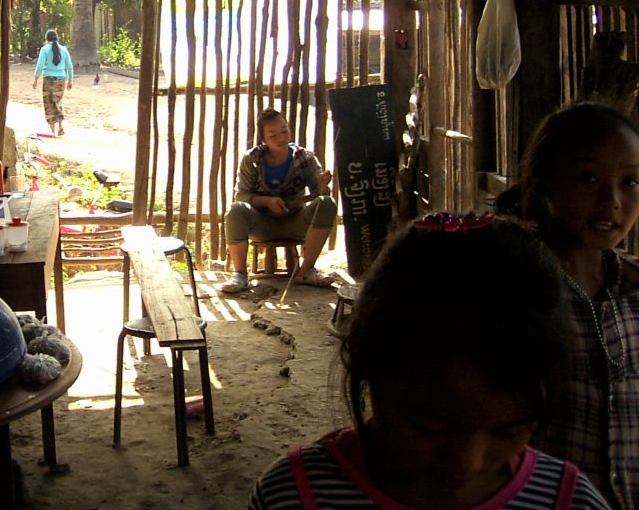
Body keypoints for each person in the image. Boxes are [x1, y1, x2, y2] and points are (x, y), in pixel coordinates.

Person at [247, 213, 612, 509]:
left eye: (509, 430)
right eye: (430, 426)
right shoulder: (293, 497)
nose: (466, 463)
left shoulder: (570, 501)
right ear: (368, 364)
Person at [496, 102, 639, 509]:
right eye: (588, 177)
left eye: (630, 182)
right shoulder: (514, 286)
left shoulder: (633, 291)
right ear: (543, 183)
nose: (612, 200)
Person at [219, 108, 337, 293]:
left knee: (327, 204)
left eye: (284, 130)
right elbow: (241, 195)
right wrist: (267, 201)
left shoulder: (305, 158)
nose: (282, 138)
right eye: (273, 135)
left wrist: (323, 184)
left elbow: (319, 195)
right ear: (263, 139)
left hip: (296, 222)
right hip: (261, 224)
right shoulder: (252, 159)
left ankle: (306, 270)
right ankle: (240, 274)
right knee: (235, 210)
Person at [32, 29, 74, 136]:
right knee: (57, 101)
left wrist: (36, 79)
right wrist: (70, 80)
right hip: (61, 80)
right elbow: (69, 66)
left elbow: (40, 66)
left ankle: (52, 131)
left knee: (49, 104)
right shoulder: (64, 50)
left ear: (47, 39)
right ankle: (60, 126)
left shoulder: (45, 49)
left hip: (48, 79)